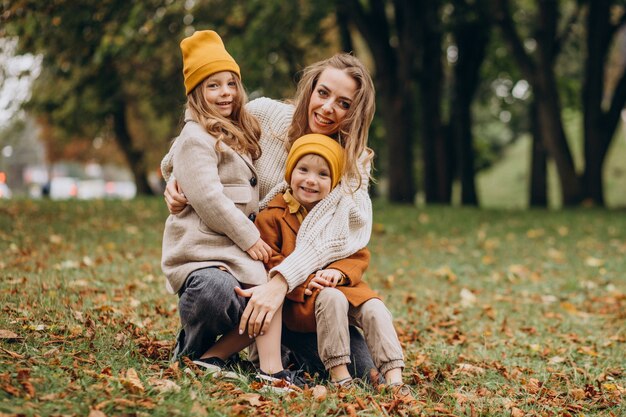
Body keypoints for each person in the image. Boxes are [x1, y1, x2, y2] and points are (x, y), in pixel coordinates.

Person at [162, 53, 378, 381]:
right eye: (323, 93)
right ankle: (195, 353)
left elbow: (336, 236)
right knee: (213, 291)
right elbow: (197, 138)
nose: (328, 108)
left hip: (298, 290)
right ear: (311, 89)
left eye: (344, 103)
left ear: (355, 112)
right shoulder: (265, 115)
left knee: (362, 370)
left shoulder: (353, 161)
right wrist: (175, 181)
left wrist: (279, 283)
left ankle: (278, 353)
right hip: (236, 265)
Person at [160, 29, 302, 388]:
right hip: (203, 254)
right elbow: (208, 197)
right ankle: (193, 351)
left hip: (237, 256)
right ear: (196, 93)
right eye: (213, 86)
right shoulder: (195, 138)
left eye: (231, 84)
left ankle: (266, 368)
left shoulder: (239, 129)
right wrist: (250, 237)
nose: (225, 93)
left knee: (267, 293)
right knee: (217, 291)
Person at [255, 134, 414, 401]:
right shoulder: (271, 215)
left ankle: (395, 378)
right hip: (304, 301)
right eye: (303, 170)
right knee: (331, 298)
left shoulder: (336, 212)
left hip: (344, 287)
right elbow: (268, 262)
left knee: (374, 307)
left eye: (322, 174)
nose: (310, 180)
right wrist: (303, 283)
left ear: (334, 181)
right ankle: (340, 377)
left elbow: (356, 252)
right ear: (290, 172)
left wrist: (338, 272)